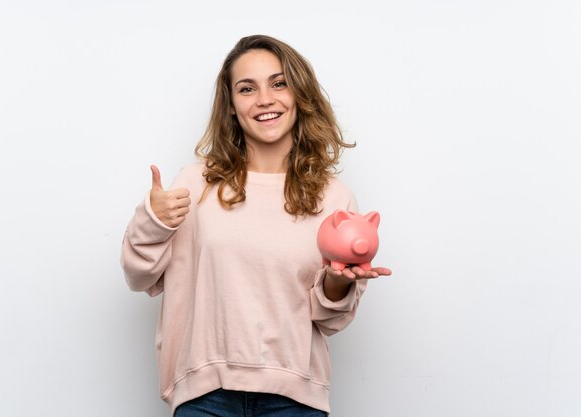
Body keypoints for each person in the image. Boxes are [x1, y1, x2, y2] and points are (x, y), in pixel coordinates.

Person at [120, 34, 392, 417]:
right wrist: (153, 221)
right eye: (247, 89)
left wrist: (338, 282)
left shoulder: (334, 197)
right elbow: (139, 277)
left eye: (279, 83)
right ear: (231, 105)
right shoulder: (196, 183)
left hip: (295, 399)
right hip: (205, 395)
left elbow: (329, 320)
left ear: (299, 94)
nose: (265, 99)